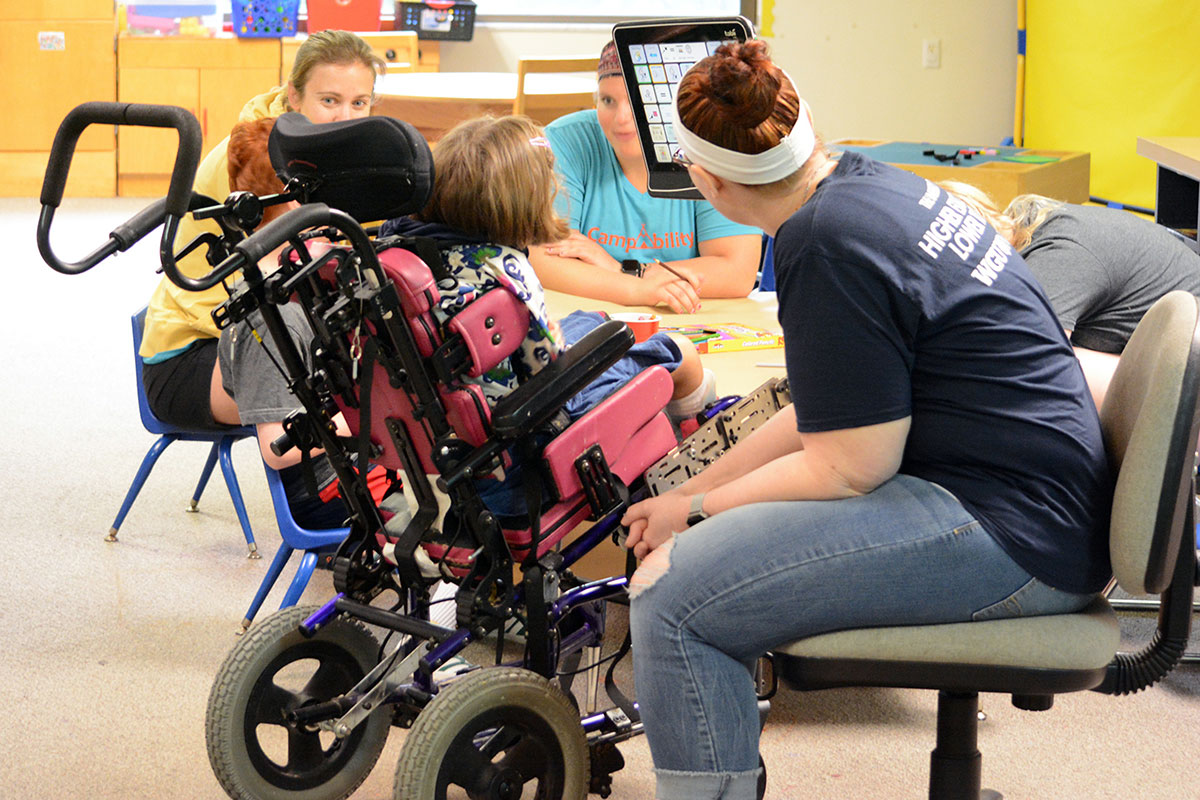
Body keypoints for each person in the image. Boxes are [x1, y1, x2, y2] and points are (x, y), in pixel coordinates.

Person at [620, 41, 1112, 800]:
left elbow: (850, 466)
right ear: (806, 126)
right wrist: (691, 495)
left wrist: (694, 510)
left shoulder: (823, 242)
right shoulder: (871, 187)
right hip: (1038, 501)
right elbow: (827, 418)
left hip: (1010, 529)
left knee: (670, 599)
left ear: (705, 179)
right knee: (685, 564)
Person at [380, 114, 716, 516]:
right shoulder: (504, 270)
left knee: (594, 321)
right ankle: (695, 452)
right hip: (522, 442)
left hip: (441, 442)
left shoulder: (397, 254)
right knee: (675, 352)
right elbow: (550, 372)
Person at [139, 30, 384, 432]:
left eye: (359, 103)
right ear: (293, 95)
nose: (346, 118)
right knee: (350, 400)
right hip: (195, 350)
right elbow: (289, 268)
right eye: (329, 101)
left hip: (269, 325)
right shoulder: (257, 154)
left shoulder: (325, 146)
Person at [529, 41, 762, 315]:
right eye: (608, 101)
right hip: (587, 321)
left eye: (638, 102)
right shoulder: (567, 142)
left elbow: (737, 271)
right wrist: (638, 290)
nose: (621, 119)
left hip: (687, 322)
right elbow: (543, 260)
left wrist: (624, 270)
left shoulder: (709, 143)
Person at [944, 183, 1200, 408]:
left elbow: (1029, 371)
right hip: (1173, 371)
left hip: (1187, 393)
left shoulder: (1055, 257)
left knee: (1018, 363)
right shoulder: (1036, 229)